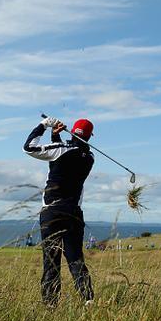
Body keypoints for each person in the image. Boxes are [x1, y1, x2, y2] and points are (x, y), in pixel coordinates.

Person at [23, 115, 95, 307]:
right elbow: (63, 156)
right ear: (89, 136)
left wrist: (44, 125)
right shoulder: (89, 157)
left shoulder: (62, 150)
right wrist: (56, 137)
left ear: (73, 132)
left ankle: (50, 305)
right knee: (75, 259)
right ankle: (88, 301)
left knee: (51, 260)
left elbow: (29, 147)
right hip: (74, 213)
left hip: (52, 212)